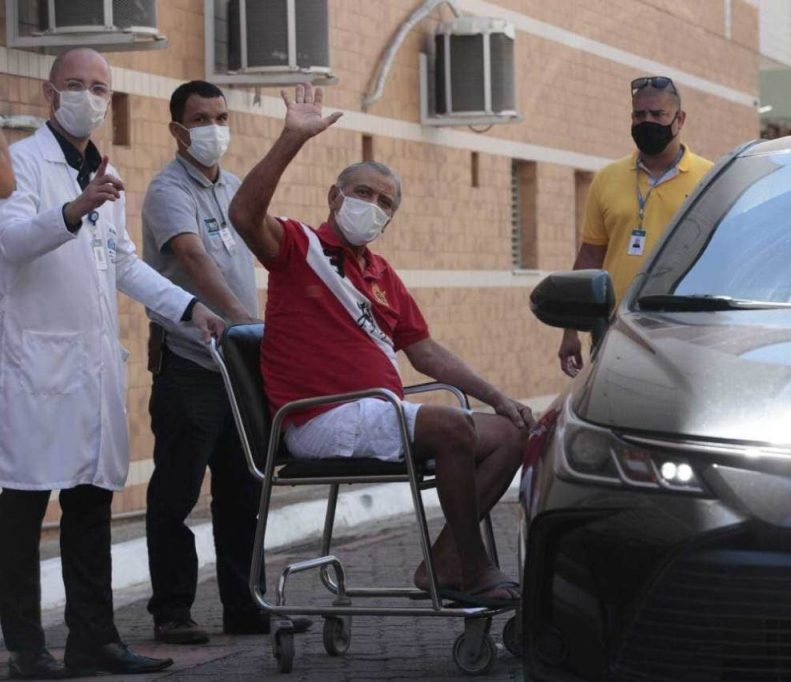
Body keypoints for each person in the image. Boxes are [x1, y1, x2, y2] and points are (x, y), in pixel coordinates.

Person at [228, 84, 532, 607]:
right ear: (335, 196)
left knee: (509, 435)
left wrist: (499, 396)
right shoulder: (301, 247)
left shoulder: (382, 274)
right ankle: (475, 568)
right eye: (363, 193)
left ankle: (443, 562)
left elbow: (426, 352)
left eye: (383, 202)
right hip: (317, 420)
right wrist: (290, 139)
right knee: (449, 426)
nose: (372, 206)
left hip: (379, 414)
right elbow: (244, 216)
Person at [0, 48, 223, 679]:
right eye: (75, 85)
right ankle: (24, 647)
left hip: (90, 369)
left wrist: (188, 307)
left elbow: (123, 262)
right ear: (50, 92)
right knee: (20, 511)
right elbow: (10, 243)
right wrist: (73, 209)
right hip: (32, 367)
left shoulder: (106, 170)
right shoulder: (18, 164)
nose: (88, 97)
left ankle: (92, 640)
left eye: (99, 87)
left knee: (91, 504)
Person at [141, 80, 270, 645]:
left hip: (239, 368)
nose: (213, 128)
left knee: (242, 491)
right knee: (176, 492)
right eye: (200, 119)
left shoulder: (237, 189)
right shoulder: (168, 190)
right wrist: (244, 320)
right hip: (191, 363)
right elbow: (192, 258)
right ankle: (172, 610)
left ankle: (244, 605)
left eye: (220, 116)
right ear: (176, 130)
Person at [558, 76, 713, 377]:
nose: (647, 122)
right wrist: (570, 330)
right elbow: (590, 258)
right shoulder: (607, 178)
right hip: (615, 331)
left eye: (658, 115)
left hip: (685, 332)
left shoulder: (709, 179)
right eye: (639, 115)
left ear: (679, 120)